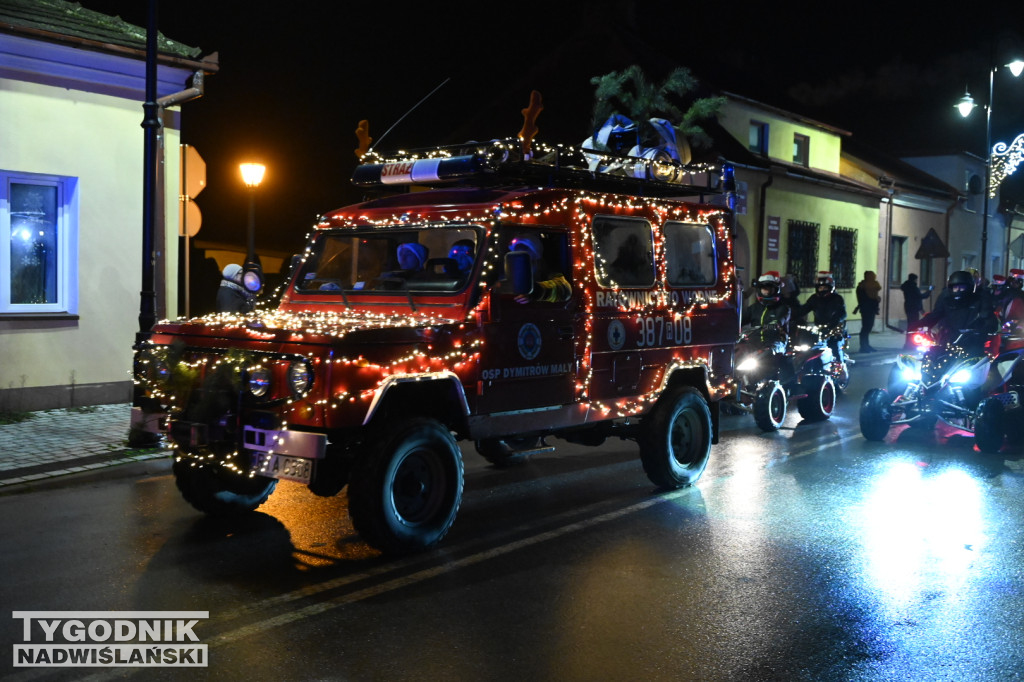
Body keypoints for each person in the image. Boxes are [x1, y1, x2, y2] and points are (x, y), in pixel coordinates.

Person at [918, 270, 999, 354]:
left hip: (972, 343)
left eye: (962, 287)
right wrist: (918, 324)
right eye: (955, 287)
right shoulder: (945, 298)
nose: (958, 290)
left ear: (969, 287)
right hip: (948, 340)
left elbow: (988, 317)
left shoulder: (979, 299)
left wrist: (984, 329)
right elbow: (936, 314)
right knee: (931, 358)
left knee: (978, 362)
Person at [796, 271, 847, 362]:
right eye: (820, 287)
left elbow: (842, 313)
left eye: (825, 287)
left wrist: (834, 323)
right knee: (808, 347)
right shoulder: (814, 298)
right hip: (818, 329)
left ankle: (840, 366)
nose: (822, 289)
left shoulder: (837, 298)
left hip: (834, 329)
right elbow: (804, 309)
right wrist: (793, 316)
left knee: (834, 346)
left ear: (830, 287)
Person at [509, 234, 571, 304]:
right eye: (517, 249)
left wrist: (536, 291)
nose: (520, 251)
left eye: (525, 248)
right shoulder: (509, 270)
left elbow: (564, 290)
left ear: (535, 252)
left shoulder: (544, 269)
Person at [742, 271, 791, 352]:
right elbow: (741, 320)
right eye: (764, 289)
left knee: (770, 353)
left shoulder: (783, 308)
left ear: (776, 290)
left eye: (770, 289)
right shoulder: (754, 308)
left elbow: (779, 320)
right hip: (754, 346)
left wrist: (774, 325)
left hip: (775, 345)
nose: (767, 292)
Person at [854, 270, 881, 352]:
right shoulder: (863, 286)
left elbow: (877, 289)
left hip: (870, 308)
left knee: (868, 327)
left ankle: (866, 345)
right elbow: (864, 299)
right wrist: (875, 300)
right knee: (866, 328)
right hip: (867, 309)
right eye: (872, 276)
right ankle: (863, 346)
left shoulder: (869, 286)